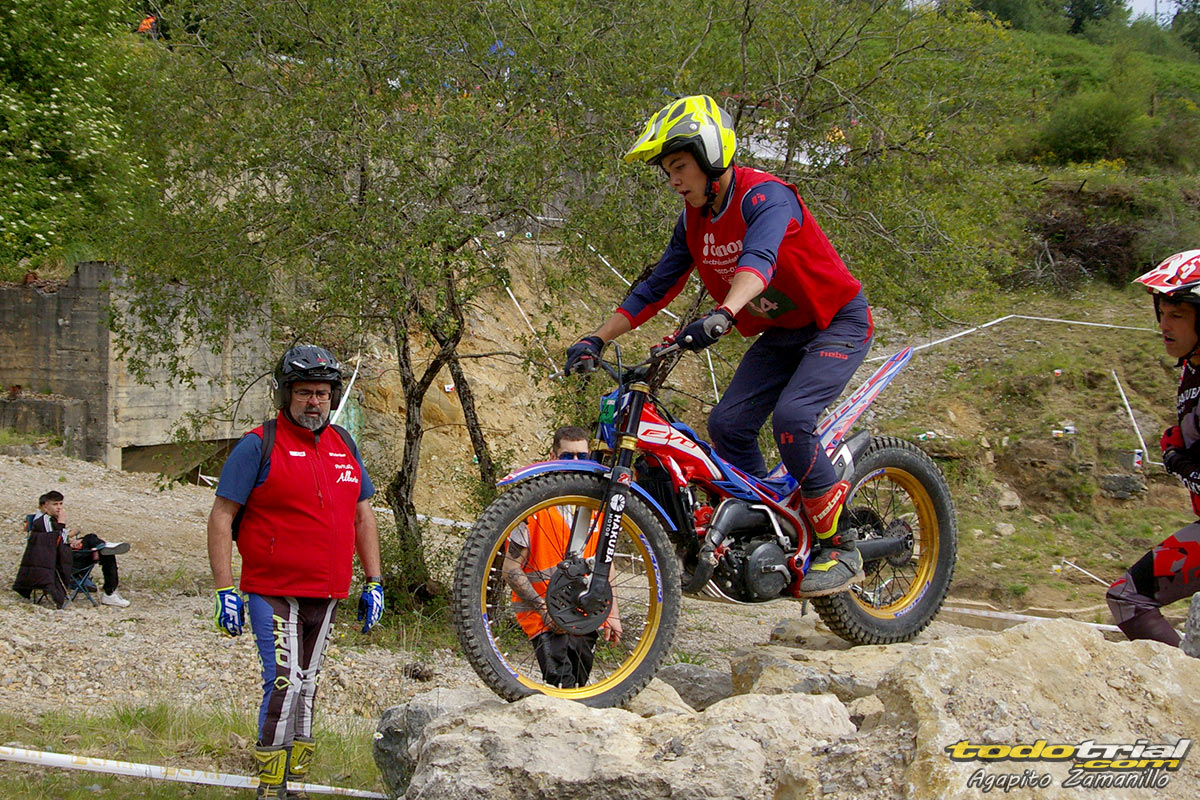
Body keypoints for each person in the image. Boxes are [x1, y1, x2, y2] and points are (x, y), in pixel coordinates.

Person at [564, 94, 873, 596]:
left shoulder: (766, 197)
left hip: (835, 321)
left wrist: (725, 313)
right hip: (784, 332)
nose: (673, 180)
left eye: (679, 167)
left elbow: (759, 259)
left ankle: (840, 546)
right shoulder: (693, 220)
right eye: (668, 171)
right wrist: (596, 338)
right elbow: (656, 287)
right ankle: (770, 528)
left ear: (711, 156)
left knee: (793, 419)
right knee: (728, 425)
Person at [207, 344, 384, 799]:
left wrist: (375, 581)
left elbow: (363, 516)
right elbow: (222, 516)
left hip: (327, 593)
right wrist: (225, 589)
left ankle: (297, 785)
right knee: (284, 684)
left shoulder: (344, 444)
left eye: (322, 393)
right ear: (285, 394)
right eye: (304, 392)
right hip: (273, 590)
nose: (314, 402)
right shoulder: (258, 444)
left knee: (308, 687)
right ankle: (270, 788)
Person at [1107, 250, 1200, 648]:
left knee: (1128, 598)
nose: (1164, 324)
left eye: (1177, 314)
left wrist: (1179, 461)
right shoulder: (1192, 368)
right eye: (1162, 312)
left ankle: (1180, 680)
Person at [502, 426, 622, 687]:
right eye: (568, 456)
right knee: (561, 684)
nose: (575, 463)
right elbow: (510, 569)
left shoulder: (597, 510)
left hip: (585, 613)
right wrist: (544, 609)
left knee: (580, 684)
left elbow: (606, 564)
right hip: (543, 617)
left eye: (582, 456)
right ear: (553, 456)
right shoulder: (534, 509)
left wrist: (613, 613)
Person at [14, 491, 131, 608]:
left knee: (92, 541)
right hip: (59, 563)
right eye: (55, 504)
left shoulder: (51, 519)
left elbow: (56, 542)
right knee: (102, 550)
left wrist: (73, 543)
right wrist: (61, 523)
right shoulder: (44, 520)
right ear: (46, 506)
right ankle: (110, 592)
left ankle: (103, 547)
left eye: (61, 504)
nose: (59, 508)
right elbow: (52, 544)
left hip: (63, 555)